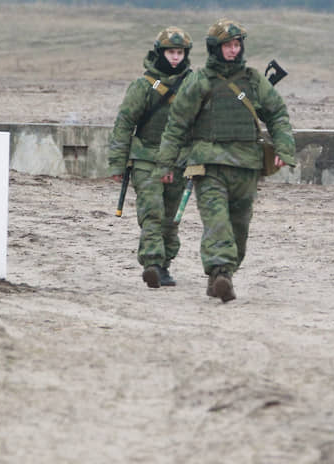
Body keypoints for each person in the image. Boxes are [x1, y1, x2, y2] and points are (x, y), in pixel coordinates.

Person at [154, 18, 295, 303]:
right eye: (227, 45)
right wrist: (166, 164)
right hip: (208, 167)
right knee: (217, 223)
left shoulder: (254, 80)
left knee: (239, 229)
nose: (233, 50)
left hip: (247, 166)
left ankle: (223, 274)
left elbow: (277, 114)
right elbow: (176, 125)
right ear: (215, 48)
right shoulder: (199, 81)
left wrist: (284, 149)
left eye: (237, 44)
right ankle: (220, 272)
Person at [108, 27, 193, 289]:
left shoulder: (194, 85)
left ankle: (164, 264)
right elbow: (124, 124)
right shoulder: (142, 86)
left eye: (179, 52)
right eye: (170, 52)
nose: (175, 57)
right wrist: (118, 163)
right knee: (152, 213)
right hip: (146, 159)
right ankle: (153, 264)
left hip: (179, 161)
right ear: (160, 53)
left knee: (171, 218)